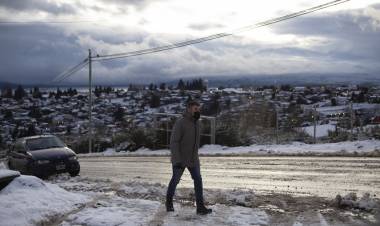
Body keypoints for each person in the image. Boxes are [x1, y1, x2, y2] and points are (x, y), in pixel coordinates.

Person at [166, 100, 212, 215]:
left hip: (193, 159)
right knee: (175, 180)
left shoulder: (197, 123)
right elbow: (174, 142)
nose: (197, 110)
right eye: (195, 108)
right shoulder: (181, 122)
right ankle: (169, 203)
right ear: (189, 109)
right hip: (180, 159)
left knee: (198, 180)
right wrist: (177, 160)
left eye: (198, 108)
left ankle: (200, 207)